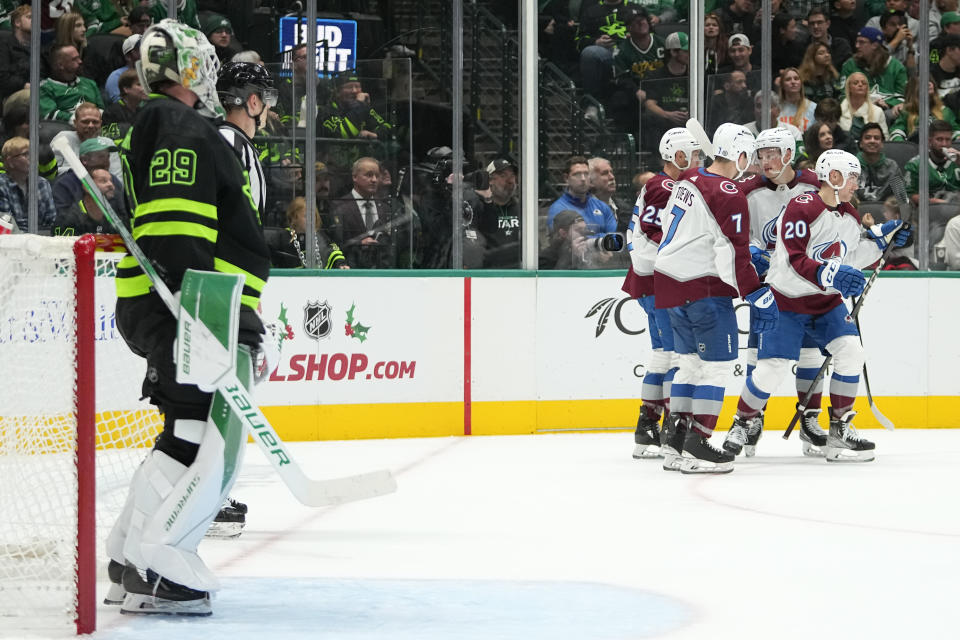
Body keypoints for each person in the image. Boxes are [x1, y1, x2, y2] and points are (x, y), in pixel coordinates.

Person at [104, 19, 271, 616]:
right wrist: (207, 313)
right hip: (196, 306)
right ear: (188, 69)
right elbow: (177, 229)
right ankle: (162, 563)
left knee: (184, 431)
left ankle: (128, 559)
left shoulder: (162, 124)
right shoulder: (177, 124)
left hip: (181, 303)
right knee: (209, 440)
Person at [724, 149, 911, 463]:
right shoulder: (802, 207)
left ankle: (839, 429)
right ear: (834, 177)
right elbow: (795, 259)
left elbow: (850, 256)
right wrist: (830, 272)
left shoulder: (849, 214)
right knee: (771, 370)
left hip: (824, 303)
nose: (857, 183)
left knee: (852, 352)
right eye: (852, 177)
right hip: (786, 300)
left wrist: (885, 238)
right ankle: (742, 422)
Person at [654, 122, 778, 474]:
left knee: (689, 364)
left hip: (669, 283)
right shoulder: (728, 192)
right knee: (717, 367)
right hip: (703, 288)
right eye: (748, 157)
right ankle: (699, 445)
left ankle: (674, 444)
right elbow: (733, 255)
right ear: (739, 155)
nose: (749, 164)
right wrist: (757, 293)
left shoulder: (687, 180)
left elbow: (684, 230)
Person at [722, 127, 822, 456]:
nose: (764, 161)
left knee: (811, 353)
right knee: (759, 355)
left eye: (772, 154)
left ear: (789, 154)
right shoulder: (747, 190)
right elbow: (736, 233)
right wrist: (752, 250)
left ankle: (810, 418)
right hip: (768, 285)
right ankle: (753, 418)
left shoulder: (814, 184)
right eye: (760, 155)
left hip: (808, 283)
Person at [622, 128, 700, 459]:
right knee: (675, 355)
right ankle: (668, 427)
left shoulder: (664, 184)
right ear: (678, 157)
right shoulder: (663, 186)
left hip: (651, 278)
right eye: (694, 155)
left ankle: (648, 427)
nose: (699, 161)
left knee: (663, 354)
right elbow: (659, 234)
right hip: (657, 280)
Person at [331, 156, 395, 268]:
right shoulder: (339, 207)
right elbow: (334, 243)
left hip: (382, 275)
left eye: (377, 175)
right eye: (369, 175)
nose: (374, 180)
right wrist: (358, 244)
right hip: (351, 274)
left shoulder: (386, 208)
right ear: (354, 177)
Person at [609, 6, 665, 132]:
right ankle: (626, 138)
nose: (641, 23)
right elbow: (621, 78)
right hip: (638, 90)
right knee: (620, 98)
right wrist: (636, 90)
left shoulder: (663, 44)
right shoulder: (621, 51)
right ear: (628, 27)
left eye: (643, 19)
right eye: (635, 21)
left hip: (662, 87)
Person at [840, 27, 908, 119]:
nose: (857, 46)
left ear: (875, 45)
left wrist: (888, 104)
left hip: (887, 110)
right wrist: (866, 103)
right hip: (856, 108)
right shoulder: (850, 65)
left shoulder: (896, 67)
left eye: (862, 42)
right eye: (857, 42)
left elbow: (902, 97)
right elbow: (843, 94)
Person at [266, 197, 348, 269]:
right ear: (294, 217)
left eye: (314, 216)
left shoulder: (320, 236)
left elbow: (332, 251)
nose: (312, 220)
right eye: (306, 216)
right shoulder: (281, 237)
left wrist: (340, 264)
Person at [546, 155, 617, 235]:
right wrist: (602, 238)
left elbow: (614, 238)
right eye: (577, 174)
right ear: (566, 178)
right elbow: (567, 242)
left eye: (586, 174)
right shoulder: (558, 209)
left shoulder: (602, 207)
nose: (583, 179)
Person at [0, 136, 56, 232]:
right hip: (10, 241)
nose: (32, 158)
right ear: (10, 162)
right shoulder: (2, 184)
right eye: (26, 154)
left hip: (41, 239)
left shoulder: (42, 183)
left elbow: (51, 220)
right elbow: (6, 223)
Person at [642, 32, 690, 144]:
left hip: (690, 122)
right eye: (686, 51)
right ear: (673, 52)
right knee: (650, 121)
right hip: (665, 124)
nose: (691, 54)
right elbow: (650, 105)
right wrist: (668, 115)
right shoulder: (656, 75)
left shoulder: (696, 74)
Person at [39, 44, 104, 122]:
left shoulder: (90, 83)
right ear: (60, 65)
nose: (80, 61)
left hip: (95, 127)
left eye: (79, 57)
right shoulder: (45, 88)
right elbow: (49, 114)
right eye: (74, 59)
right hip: (64, 130)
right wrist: (79, 120)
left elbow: (102, 110)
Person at [52, 168, 123, 236]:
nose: (111, 185)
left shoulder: (118, 215)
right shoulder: (68, 220)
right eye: (103, 181)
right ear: (87, 186)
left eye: (111, 181)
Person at [477, 158, 521, 268]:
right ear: (489, 180)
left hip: (519, 274)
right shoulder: (480, 209)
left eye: (512, 176)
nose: (510, 181)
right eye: (503, 176)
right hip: (490, 275)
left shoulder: (523, 210)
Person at [905, 119, 960, 205]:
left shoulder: (957, 160)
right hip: (928, 211)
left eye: (948, 139)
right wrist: (932, 202)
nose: (944, 144)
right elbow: (910, 195)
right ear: (930, 141)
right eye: (939, 139)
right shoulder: (916, 164)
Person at [890, 77, 960, 141]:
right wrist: (904, 146)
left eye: (930, 81)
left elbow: (955, 131)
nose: (929, 83)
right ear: (913, 89)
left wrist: (957, 137)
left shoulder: (945, 111)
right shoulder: (907, 111)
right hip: (914, 149)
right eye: (922, 82)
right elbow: (897, 131)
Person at [857, 122, 909, 203]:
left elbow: (901, 198)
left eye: (876, 138)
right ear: (860, 143)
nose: (872, 141)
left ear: (882, 144)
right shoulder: (850, 166)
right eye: (867, 138)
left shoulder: (892, 167)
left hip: (886, 212)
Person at [839, 71, 890, 141]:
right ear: (849, 88)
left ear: (867, 88)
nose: (860, 85)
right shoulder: (839, 111)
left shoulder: (878, 111)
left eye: (864, 83)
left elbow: (885, 139)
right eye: (856, 83)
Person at [103, 69, 148, 140]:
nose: (144, 88)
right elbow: (109, 138)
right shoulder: (110, 112)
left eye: (145, 84)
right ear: (126, 89)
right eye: (139, 84)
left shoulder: (145, 110)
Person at [0, 5, 32, 105]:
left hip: (36, 89)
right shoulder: (4, 44)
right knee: (33, 96)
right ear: (17, 23)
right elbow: (3, 77)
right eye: (30, 17)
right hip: (11, 94)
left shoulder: (39, 46)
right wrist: (24, 85)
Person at [104, 34, 141, 104]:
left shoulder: (154, 71)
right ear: (128, 57)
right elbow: (120, 105)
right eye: (139, 50)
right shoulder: (116, 76)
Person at [778, 67, 817, 132]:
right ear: (782, 85)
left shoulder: (813, 107)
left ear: (801, 83)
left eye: (796, 79)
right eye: (788, 79)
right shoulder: (776, 108)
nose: (793, 82)